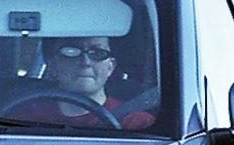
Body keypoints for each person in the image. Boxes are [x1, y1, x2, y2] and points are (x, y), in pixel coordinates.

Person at [13, 36, 155, 130]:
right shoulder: (24, 118)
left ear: (111, 66)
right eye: (71, 52)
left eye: (98, 53)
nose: (85, 62)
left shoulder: (137, 123)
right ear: (53, 64)